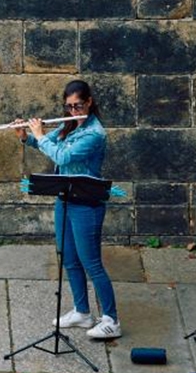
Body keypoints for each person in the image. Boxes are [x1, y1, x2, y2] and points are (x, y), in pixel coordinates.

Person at [14, 78, 121, 339]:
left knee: (92, 263)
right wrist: (26, 137)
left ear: (89, 102)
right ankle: (82, 313)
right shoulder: (69, 124)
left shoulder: (95, 134)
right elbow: (46, 142)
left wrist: (39, 136)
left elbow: (62, 156)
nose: (73, 111)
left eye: (78, 106)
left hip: (87, 205)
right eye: (69, 107)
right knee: (69, 259)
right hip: (65, 198)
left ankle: (112, 320)